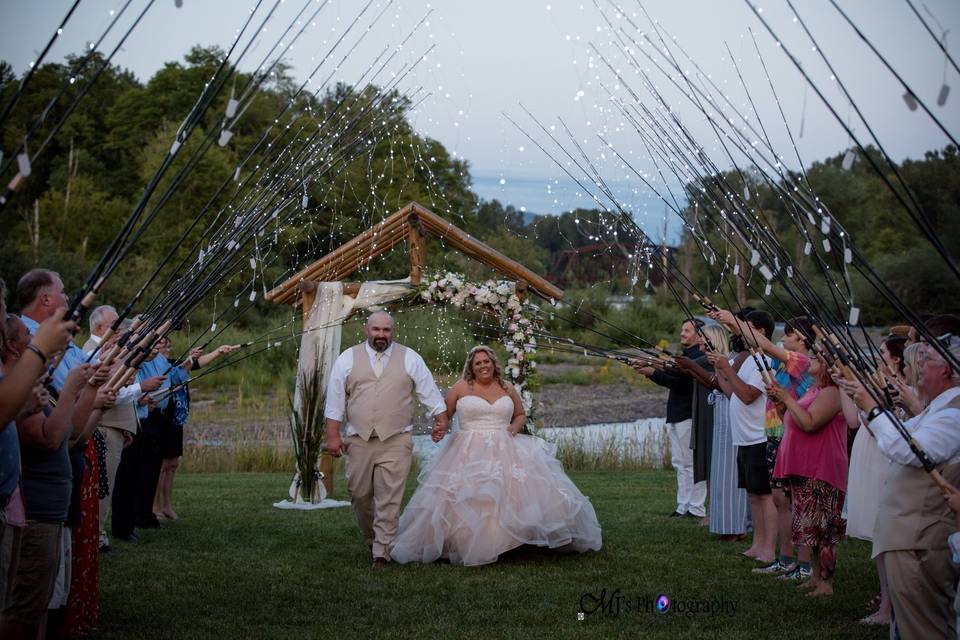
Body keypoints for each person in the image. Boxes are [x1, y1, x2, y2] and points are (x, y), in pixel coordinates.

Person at [390, 345, 602, 566]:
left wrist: (513, 428)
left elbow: (520, 414)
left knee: (516, 493)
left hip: (506, 444)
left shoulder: (507, 387)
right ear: (471, 367)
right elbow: (444, 415)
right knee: (473, 496)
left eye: (487, 361)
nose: (483, 366)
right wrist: (439, 428)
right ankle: (469, 542)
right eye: (478, 363)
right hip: (468, 448)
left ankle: (514, 540)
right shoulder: (461, 387)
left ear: (493, 363)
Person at [838, 333, 960, 638]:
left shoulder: (954, 414)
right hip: (909, 536)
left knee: (924, 630)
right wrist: (864, 401)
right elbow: (901, 431)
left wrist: (873, 407)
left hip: (920, 541)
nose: (917, 364)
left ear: (946, 370)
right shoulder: (939, 408)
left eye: (926, 359)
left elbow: (909, 450)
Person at [324, 311, 448, 568]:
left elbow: (429, 391)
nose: (381, 334)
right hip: (358, 439)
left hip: (397, 438)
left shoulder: (410, 357)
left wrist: (441, 418)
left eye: (386, 330)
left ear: (394, 332)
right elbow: (335, 400)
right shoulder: (347, 358)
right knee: (359, 494)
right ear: (366, 330)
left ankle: (382, 550)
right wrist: (333, 436)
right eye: (376, 329)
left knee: (389, 497)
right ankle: (373, 538)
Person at [710, 309, 814, 580]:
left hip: (780, 436)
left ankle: (800, 563)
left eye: (790, 334)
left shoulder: (796, 360)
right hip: (773, 434)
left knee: (788, 500)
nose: (785, 338)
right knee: (776, 498)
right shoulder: (764, 359)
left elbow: (749, 389)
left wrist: (732, 321)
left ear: (803, 340)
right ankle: (783, 557)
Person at [768, 350, 850, 597]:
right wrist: (781, 402)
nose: (811, 358)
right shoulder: (813, 390)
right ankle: (815, 577)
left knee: (825, 530)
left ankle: (826, 583)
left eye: (816, 357)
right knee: (811, 527)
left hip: (823, 468)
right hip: (804, 467)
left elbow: (810, 423)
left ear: (827, 366)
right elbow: (792, 419)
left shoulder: (832, 393)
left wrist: (787, 398)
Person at [845, 336, 904, 625]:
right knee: (878, 537)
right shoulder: (878, 382)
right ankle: (886, 598)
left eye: (882, 351)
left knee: (885, 536)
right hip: (867, 456)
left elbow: (878, 426)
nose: (877, 355)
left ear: (896, 358)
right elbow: (853, 422)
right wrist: (848, 386)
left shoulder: (897, 389)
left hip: (883, 460)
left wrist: (865, 402)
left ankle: (889, 607)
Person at [707, 324, 776, 565]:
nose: (735, 334)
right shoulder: (746, 361)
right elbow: (732, 393)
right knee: (753, 495)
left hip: (759, 436)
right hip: (743, 437)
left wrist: (727, 368)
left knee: (766, 495)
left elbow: (748, 395)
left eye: (739, 329)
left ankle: (769, 548)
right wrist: (721, 370)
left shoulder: (763, 361)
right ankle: (757, 544)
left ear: (760, 331)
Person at [675, 323, 750, 539]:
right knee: (719, 472)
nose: (700, 343)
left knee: (729, 473)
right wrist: (690, 368)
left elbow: (718, 383)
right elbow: (712, 382)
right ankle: (723, 523)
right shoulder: (719, 361)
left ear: (715, 340)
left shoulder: (730, 360)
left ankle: (734, 525)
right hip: (720, 416)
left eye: (704, 339)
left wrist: (691, 366)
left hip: (730, 416)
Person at [153, 341, 238, 520]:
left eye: (169, 346)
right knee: (160, 466)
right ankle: (154, 507)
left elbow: (196, 364)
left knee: (172, 464)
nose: (168, 349)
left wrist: (218, 351)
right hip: (161, 418)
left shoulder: (174, 364)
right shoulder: (155, 366)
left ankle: (168, 506)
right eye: (163, 347)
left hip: (177, 418)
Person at [632, 318, 706, 518]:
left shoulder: (699, 357)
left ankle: (696, 507)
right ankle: (683, 505)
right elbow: (672, 374)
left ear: (700, 335)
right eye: (682, 329)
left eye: (687, 330)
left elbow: (682, 384)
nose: (682, 333)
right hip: (676, 414)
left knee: (691, 463)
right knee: (679, 462)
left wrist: (652, 372)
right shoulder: (686, 356)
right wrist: (650, 367)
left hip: (688, 415)